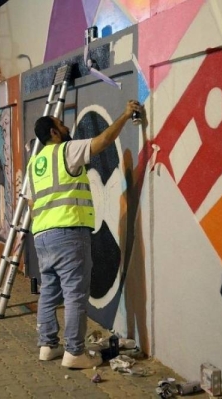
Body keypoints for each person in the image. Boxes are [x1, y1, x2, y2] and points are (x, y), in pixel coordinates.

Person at [26, 100, 145, 369]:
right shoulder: (66, 150)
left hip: (42, 237)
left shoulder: (36, 164)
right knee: (74, 294)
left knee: (49, 292)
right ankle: (74, 353)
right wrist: (125, 115)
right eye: (60, 124)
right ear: (54, 134)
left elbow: (32, 202)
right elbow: (102, 141)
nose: (66, 127)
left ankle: (48, 346)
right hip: (68, 233)